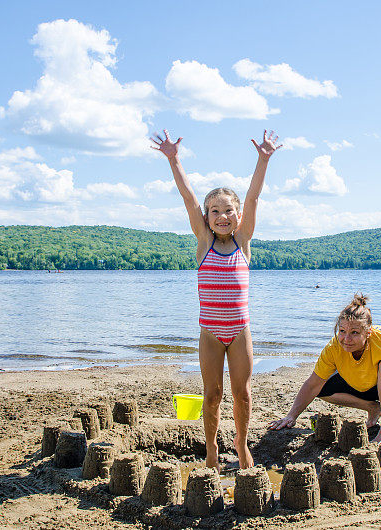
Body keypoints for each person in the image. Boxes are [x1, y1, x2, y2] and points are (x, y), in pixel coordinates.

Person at [151, 129, 281, 470]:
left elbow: (253, 198)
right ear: (206, 218)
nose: (222, 216)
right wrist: (174, 159)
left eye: (228, 210)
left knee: (243, 394)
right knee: (212, 395)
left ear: (238, 216)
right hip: (210, 332)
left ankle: (241, 443)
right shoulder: (204, 244)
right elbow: (188, 197)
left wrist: (263, 159)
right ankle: (210, 449)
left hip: (240, 332)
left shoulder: (243, 244)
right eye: (214, 212)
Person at [268, 294, 381, 443]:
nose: (346, 339)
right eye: (342, 331)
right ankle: (373, 407)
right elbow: (312, 384)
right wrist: (291, 416)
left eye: (354, 333)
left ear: (368, 332)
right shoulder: (334, 347)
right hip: (364, 386)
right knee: (320, 387)